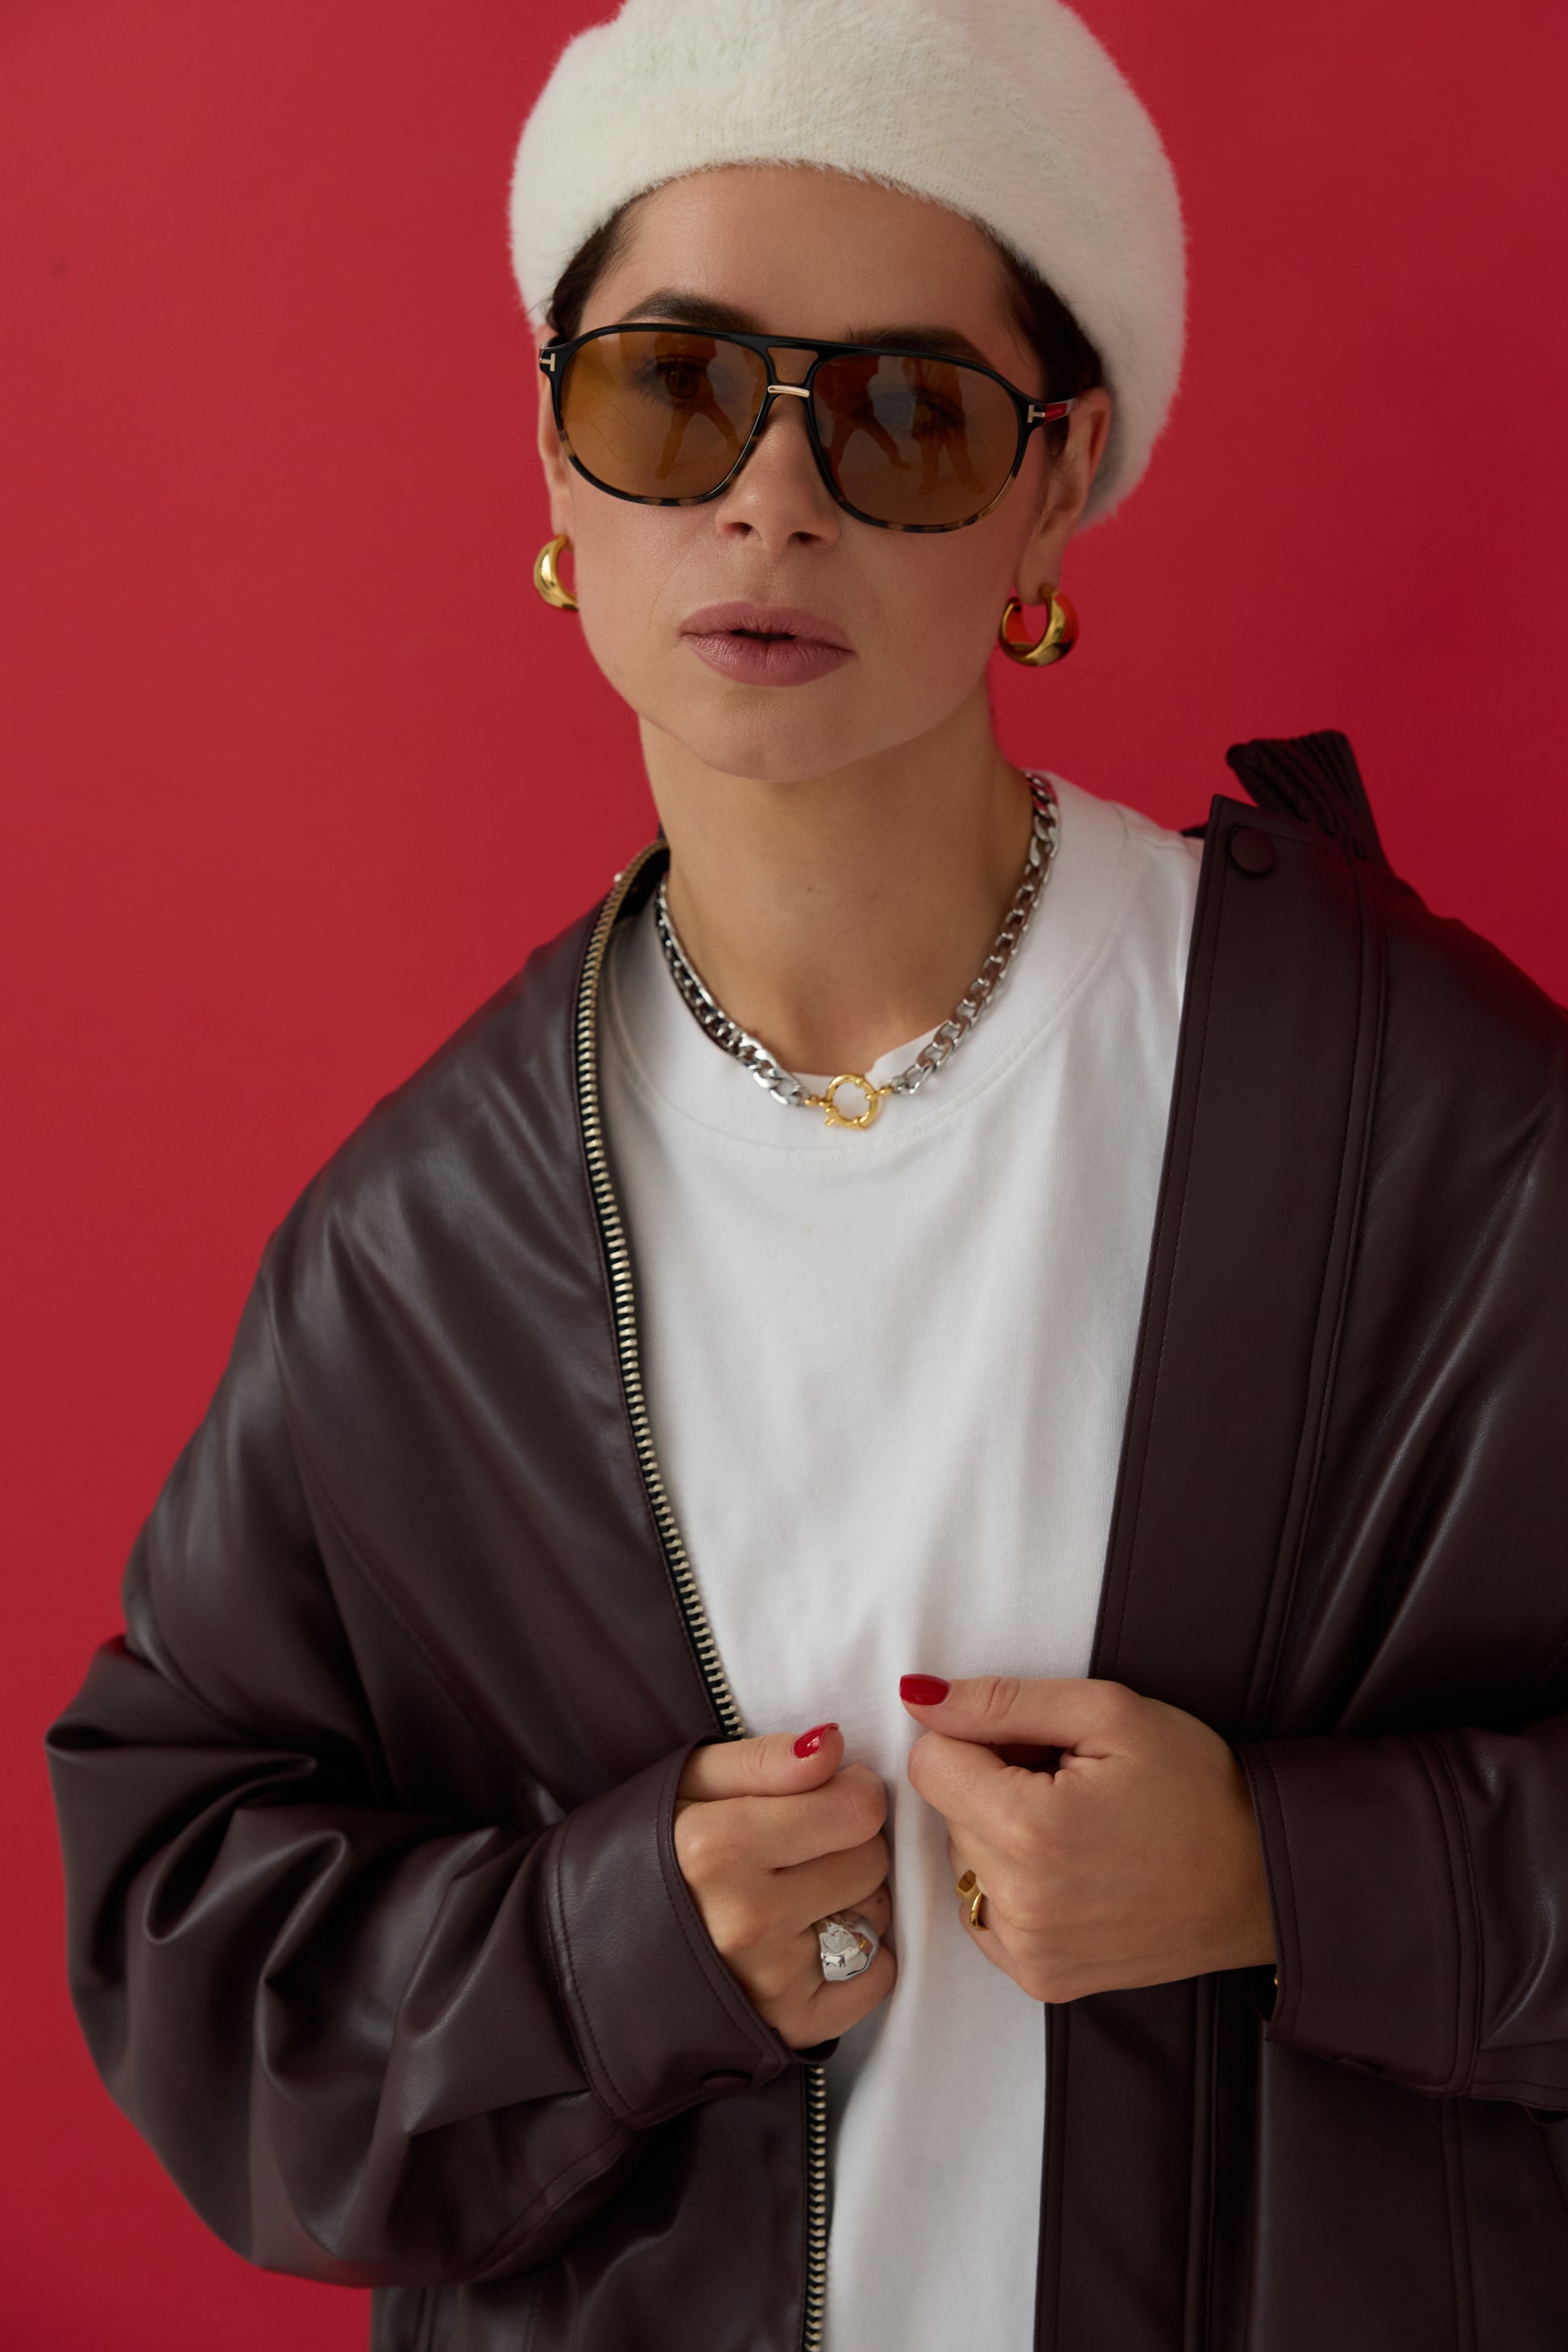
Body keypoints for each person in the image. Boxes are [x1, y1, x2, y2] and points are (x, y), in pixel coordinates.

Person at [44, 2, 1568, 2348]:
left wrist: (1291, 1877)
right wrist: (619, 1950)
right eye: (670, 393)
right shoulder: (424, 1246)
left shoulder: (1411, 1115)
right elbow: (194, 1935)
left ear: (1055, 487)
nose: (772, 500)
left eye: (905, 417)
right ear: (554, 460)